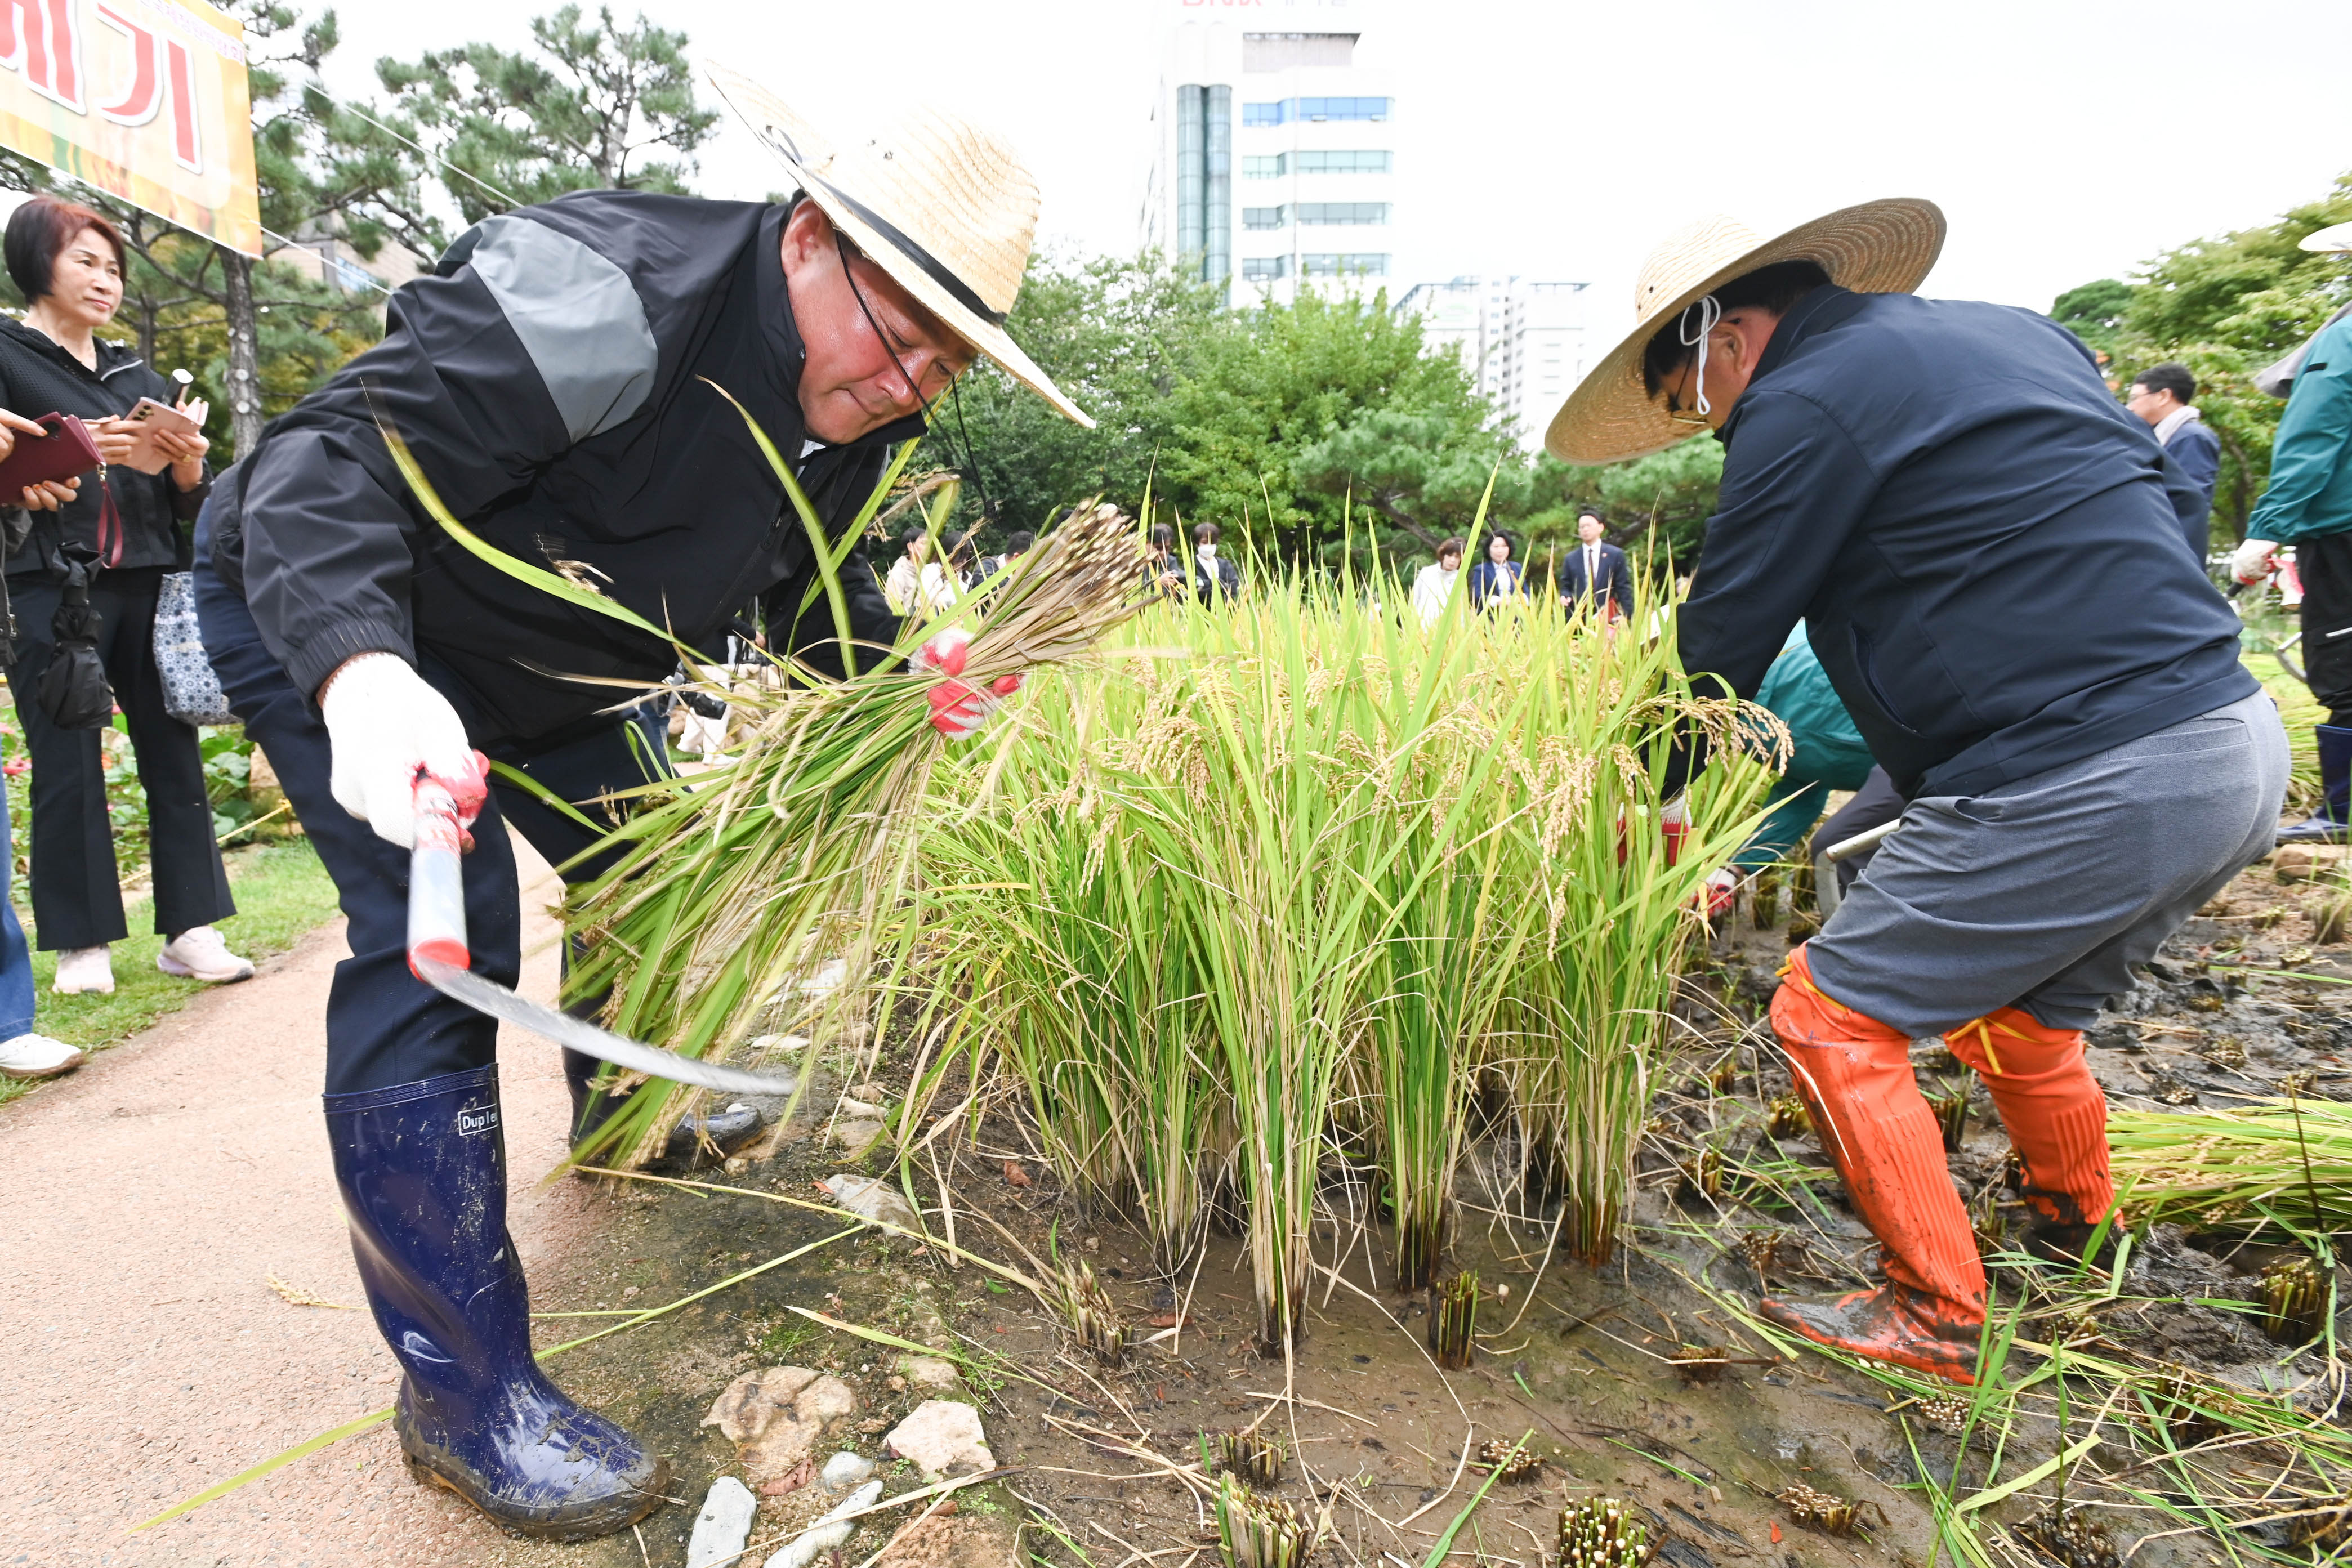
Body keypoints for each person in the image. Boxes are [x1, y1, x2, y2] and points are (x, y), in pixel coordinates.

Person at [191, 81, 1090, 1540]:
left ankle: (627, 1114)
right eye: (897, 328)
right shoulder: (607, 300)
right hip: (344, 611)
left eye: (947, 360)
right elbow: (324, 461)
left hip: (547, 662)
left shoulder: (848, 411)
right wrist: (364, 681)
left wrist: (902, 688)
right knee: (446, 924)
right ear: (811, 237)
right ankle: (462, 1393)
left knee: (661, 857)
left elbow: (813, 594)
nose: (908, 381)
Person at [1547, 200, 2282, 1384]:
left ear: (1718, 336)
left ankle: (1935, 1313)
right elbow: (2125, 520)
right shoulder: (2017, 337)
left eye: (1695, 406)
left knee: (1828, 1012)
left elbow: (1720, 636)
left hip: (2085, 769)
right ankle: (2074, 1232)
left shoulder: (1799, 400)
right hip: (2230, 743)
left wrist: (1643, 810)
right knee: (2028, 1022)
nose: (1709, 430)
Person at [0, 195, 251, 998]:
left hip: (146, 580)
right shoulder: (6, 355)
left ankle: (192, 930)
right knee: (66, 758)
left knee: (172, 749)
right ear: (37, 264)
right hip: (47, 581)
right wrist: (74, 451)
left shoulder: (138, 376)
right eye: (85, 262)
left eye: (112, 267)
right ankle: (83, 945)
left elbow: (187, 503)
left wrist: (186, 464)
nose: (104, 281)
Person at [2231, 221, 2352, 843]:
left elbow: (2313, 438)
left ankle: (2341, 817)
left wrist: (2266, 529)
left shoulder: (2344, 336)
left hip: (2341, 530)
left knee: (2343, 669)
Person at [2125, 361, 2219, 558]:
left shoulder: (2191, 436)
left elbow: (2188, 506)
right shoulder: (2166, 437)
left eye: (2134, 398)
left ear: (2163, 396)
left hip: (2174, 554)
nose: (2130, 408)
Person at [1555, 508, 1633, 619]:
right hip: (1578, 617)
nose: (1585, 529)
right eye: (1582, 527)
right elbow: (1566, 586)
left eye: (1589, 525)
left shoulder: (1615, 555)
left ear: (1601, 528)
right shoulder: (1571, 558)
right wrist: (1565, 596)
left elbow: (1623, 586)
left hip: (1607, 615)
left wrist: (1627, 613)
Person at [1465, 530, 1523, 611]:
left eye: (1504, 546)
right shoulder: (1480, 569)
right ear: (1489, 549)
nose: (1500, 551)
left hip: (1515, 613)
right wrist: (1499, 602)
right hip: (1491, 615)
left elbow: (1527, 593)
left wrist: (1517, 600)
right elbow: (1477, 595)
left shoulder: (1517, 567)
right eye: (1496, 547)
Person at [1412, 537, 1464, 626]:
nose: (1452, 560)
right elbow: (1415, 599)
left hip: (1447, 628)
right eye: (1450, 555)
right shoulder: (1427, 572)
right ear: (1443, 555)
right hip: (1423, 626)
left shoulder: (1460, 578)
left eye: (1457, 557)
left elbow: (1461, 608)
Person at [1191, 521, 1241, 605]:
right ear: (1197, 544)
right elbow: (1194, 586)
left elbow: (1234, 587)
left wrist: (1207, 585)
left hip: (1226, 613)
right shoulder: (1190, 565)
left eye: (1212, 542)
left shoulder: (1226, 565)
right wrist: (1219, 584)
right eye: (1205, 542)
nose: (1209, 546)